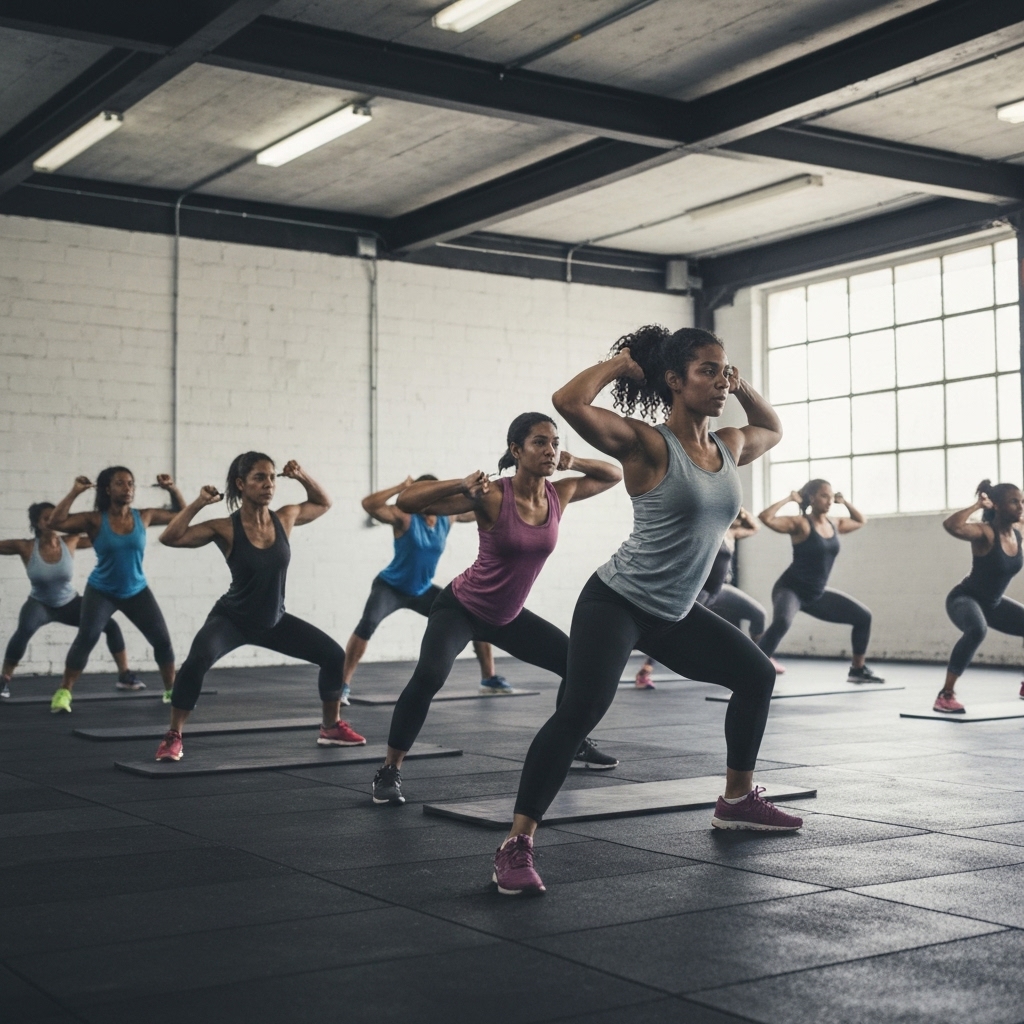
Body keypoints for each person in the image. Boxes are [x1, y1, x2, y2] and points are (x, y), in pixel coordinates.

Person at [493, 327, 801, 897]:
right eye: (707, 371)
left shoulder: (730, 445)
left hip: (675, 611)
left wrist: (743, 383)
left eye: (723, 370)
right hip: (618, 601)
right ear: (674, 381)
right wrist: (622, 363)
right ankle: (517, 843)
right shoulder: (647, 445)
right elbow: (568, 403)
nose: (720, 381)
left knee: (756, 675)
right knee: (580, 710)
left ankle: (737, 800)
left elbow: (774, 428)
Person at [371, 412, 622, 806]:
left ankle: (573, 741)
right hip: (461, 608)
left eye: (555, 443)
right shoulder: (492, 495)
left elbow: (613, 474)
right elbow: (407, 502)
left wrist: (576, 461)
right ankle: (390, 770)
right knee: (429, 676)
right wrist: (459, 483)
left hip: (508, 617)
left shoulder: (561, 493)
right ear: (516, 450)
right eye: (540, 442)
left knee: (578, 667)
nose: (550, 450)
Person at [154, 452, 364, 761]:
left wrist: (302, 475)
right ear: (240, 484)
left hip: (273, 621)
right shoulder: (224, 528)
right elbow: (170, 537)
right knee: (197, 660)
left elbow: (323, 503)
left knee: (334, 656)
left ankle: (330, 727)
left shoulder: (285, 517)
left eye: (272, 477)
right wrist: (198, 502)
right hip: (232, 620)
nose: (269, 484)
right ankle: (174, 735)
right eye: (259, 478)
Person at [343, 475, 504, 704]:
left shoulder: (448, 518)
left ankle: (489, 679)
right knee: (367, 625)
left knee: (472, 613)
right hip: (391, 587)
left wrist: (488, 492)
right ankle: (342, 685)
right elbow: (369, 505)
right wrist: (400, 486)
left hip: (422, 590)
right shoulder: (405, 517)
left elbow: (481, 507)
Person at [46, 468, 183, 713]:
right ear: (108, 490)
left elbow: (181, 514)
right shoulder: (95, 520)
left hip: (136, 590)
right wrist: (75, 492)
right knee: (87, 638)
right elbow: (56, 522)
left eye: (131, 483)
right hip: (102, 591)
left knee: (162, 641)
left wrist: (171, 488)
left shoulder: (144, 516)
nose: (128, 488)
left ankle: (171, 690)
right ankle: (64, 692)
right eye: (120, 483)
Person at [0, 502, 139, 698]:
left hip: (69, 603)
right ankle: (4, 679)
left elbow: (103, 537)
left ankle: (125, 675)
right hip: (40, 604)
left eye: (53, 517)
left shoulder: (71, 541)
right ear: (37, 523)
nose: (51, 521)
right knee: (24, 631)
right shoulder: (26, 547)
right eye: (45, 518)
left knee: (111, 626)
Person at [756, 481, 882, 683]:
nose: (830, 501)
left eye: (832, 496)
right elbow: (765, 517)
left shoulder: (835, 523)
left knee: (863, 617)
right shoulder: (801, 523)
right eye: (824, 496)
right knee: (781, 622)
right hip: (791, 589)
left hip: (816, 594)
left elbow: (861, 520)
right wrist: (790, 498)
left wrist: (845, 502)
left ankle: (857, 670)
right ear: (812, 498)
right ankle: (748, 672)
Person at [634, 507, 769, 688]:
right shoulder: (707, 532)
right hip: (699, 592)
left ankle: (761, 660)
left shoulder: (732, 533)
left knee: (758, 614)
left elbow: (755, 527)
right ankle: (645, 671)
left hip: (719, 591)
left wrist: (741, 510)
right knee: (673, 629)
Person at [934, 480, 1024, 714]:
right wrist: (976, 506)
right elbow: (951, 525)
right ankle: (945, 695)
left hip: (992, 604)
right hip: (964, 598)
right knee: (977, 629)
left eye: (1022, 501)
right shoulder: (985, 532)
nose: (1020, 506)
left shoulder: (1018, 533)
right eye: (1014, 502)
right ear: (997, 506)